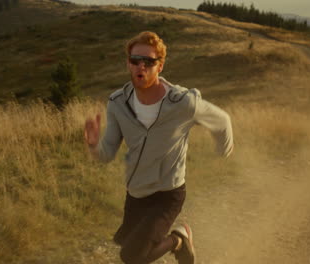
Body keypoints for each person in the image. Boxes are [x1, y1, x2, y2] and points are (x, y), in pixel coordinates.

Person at [84, 31, 233, 264]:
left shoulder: (182, 103)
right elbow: (107, 153)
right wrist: (94, 145)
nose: (140, 66)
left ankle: (178, 238)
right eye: (135, 60)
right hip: (136, 193)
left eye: (149, 62)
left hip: (167, 193)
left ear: (160, 66)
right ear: (128, 63)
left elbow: (222, 120)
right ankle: (176, 241)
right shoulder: (118, 103)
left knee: (131, 256)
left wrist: (223, 151)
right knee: (132, 246)